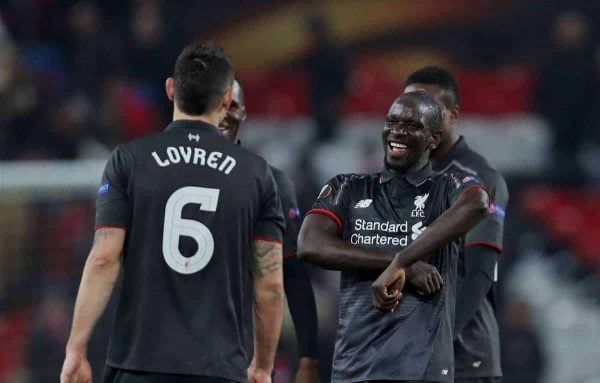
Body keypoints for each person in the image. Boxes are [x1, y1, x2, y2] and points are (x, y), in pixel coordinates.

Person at [60, 42, 285, 383]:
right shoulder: (256, 174)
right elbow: (270, 285)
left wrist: (76, 349)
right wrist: (263, 365)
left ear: (170, 89)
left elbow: (104, 259)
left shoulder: (129, 161)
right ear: (226, 98)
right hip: (219, 369)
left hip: (137, 365)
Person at [298, 91, 490, 382]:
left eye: (412, 125)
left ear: (434, 139)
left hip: (423, 370)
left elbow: (478, 203)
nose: (397, 131)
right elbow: (310, 245)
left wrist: (402, 259)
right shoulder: (348, 188)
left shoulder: (447, 186)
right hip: (356, 369)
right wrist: (400, 265)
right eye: (392, 121)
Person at [404, 66, 509, 383]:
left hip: (463, 359)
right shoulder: (398, 178)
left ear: (452, 115)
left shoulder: (479, 179)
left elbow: (479, 273)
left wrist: (436, 343)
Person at [217, 78, 320, 383]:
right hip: (178, 349)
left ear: (245, 112)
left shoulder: (270, 182)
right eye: (218, 105)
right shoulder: (168, 176)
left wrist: (309, 357)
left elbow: (294, 276)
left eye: (232, 105)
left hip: (246, 347)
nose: (225, 113)